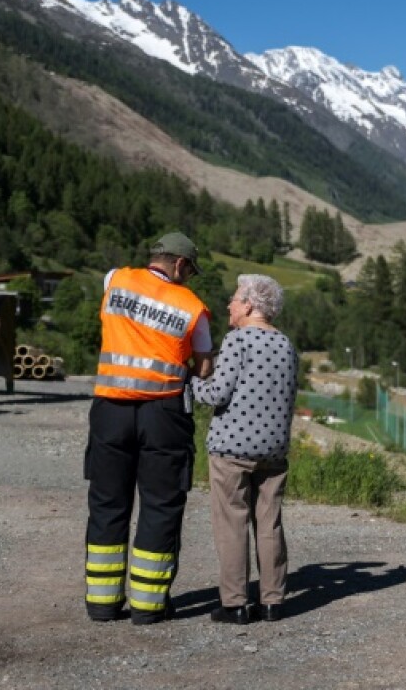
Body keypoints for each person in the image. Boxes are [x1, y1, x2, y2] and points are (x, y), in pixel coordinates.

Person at [83, 232, 213, 625]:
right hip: (164, 413)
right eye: (189, 269)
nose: (188, 276)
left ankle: (102, 603)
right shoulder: (193, 308)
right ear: (178, 264)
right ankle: (148, 604)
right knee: (160, 504)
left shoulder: (115, 279)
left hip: (110, 408)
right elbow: (204, 366)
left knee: (108, 503)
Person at [192, 274, 299, 625]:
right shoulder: (286, 344)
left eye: (235, 299)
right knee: (269, 524)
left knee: (232, 524)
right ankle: (273, 602)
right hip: (273, 450)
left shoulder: (238, 340)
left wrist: (189, 380)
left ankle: (236, 603)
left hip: (232, 449)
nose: (229, 305)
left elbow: (217, 394)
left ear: (249, 305)